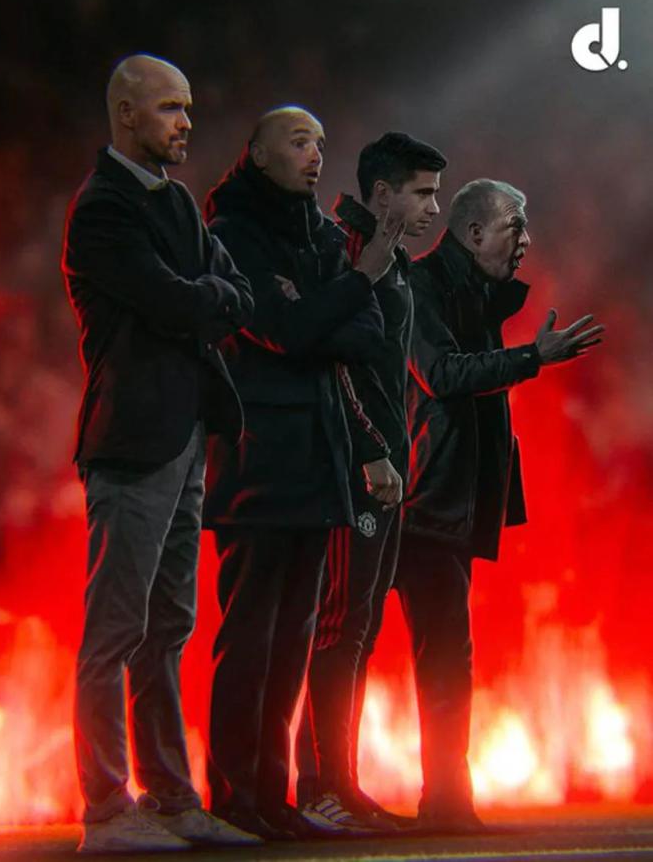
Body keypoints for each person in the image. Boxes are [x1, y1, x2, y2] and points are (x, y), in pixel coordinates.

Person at [62, 54, 260, 854]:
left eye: (188, 107)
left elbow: (232, 292)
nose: (186, 122)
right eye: (171, 107)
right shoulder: (101, 208)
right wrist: (204, 296)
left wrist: (202, 296)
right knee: (116, 631)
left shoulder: (174, 200)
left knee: (167, 626)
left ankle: (172, 799)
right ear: (126, 113)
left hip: (182, 437)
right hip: (134, 440)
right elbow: (178, 300)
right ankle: (107, 811)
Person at [203, 106, 404, 839]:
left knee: (293, 639)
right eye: (298, 142)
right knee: (250, 636)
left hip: (319, 457)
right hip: (258, 461)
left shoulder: (318, 234)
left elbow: (364, 334)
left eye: (320, 142)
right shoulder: (232, 233)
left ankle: (273, 797)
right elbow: (280, 329)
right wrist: (353, 285)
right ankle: (234, 797)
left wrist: (320, 307)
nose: (316, 154)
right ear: (258, 153)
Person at [397, 178, 604, 831]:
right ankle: (324, 791)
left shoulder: (474, 294)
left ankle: (446, 800)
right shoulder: (420, 285)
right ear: (475, 232)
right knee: (350, 647)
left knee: (444, 655)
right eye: (517, 225)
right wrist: (533, 356)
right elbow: (443, 374)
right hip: (411, 499)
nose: (527, 240)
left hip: (441, 498)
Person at [294, 132, 447, 830]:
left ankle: (338, 785)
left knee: (360, 626)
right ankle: (322, 788)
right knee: (340, 625)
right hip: (357, 471)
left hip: (388, 470)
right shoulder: (346, 253)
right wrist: (368, 451)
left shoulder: (394, 259)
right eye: (422, 193)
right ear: (381, 194)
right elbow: (336, 364)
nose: (434, 207)